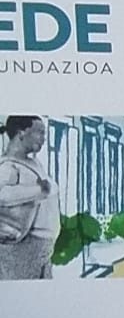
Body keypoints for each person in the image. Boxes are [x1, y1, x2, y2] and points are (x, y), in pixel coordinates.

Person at [0, 114, 59, 281]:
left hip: (42, 249)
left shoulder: (34, 163)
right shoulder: (8, 165)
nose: (44, 139)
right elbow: (2, 195)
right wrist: (38, 190)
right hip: (22, 250)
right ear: (21, 133)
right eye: (40, 132)